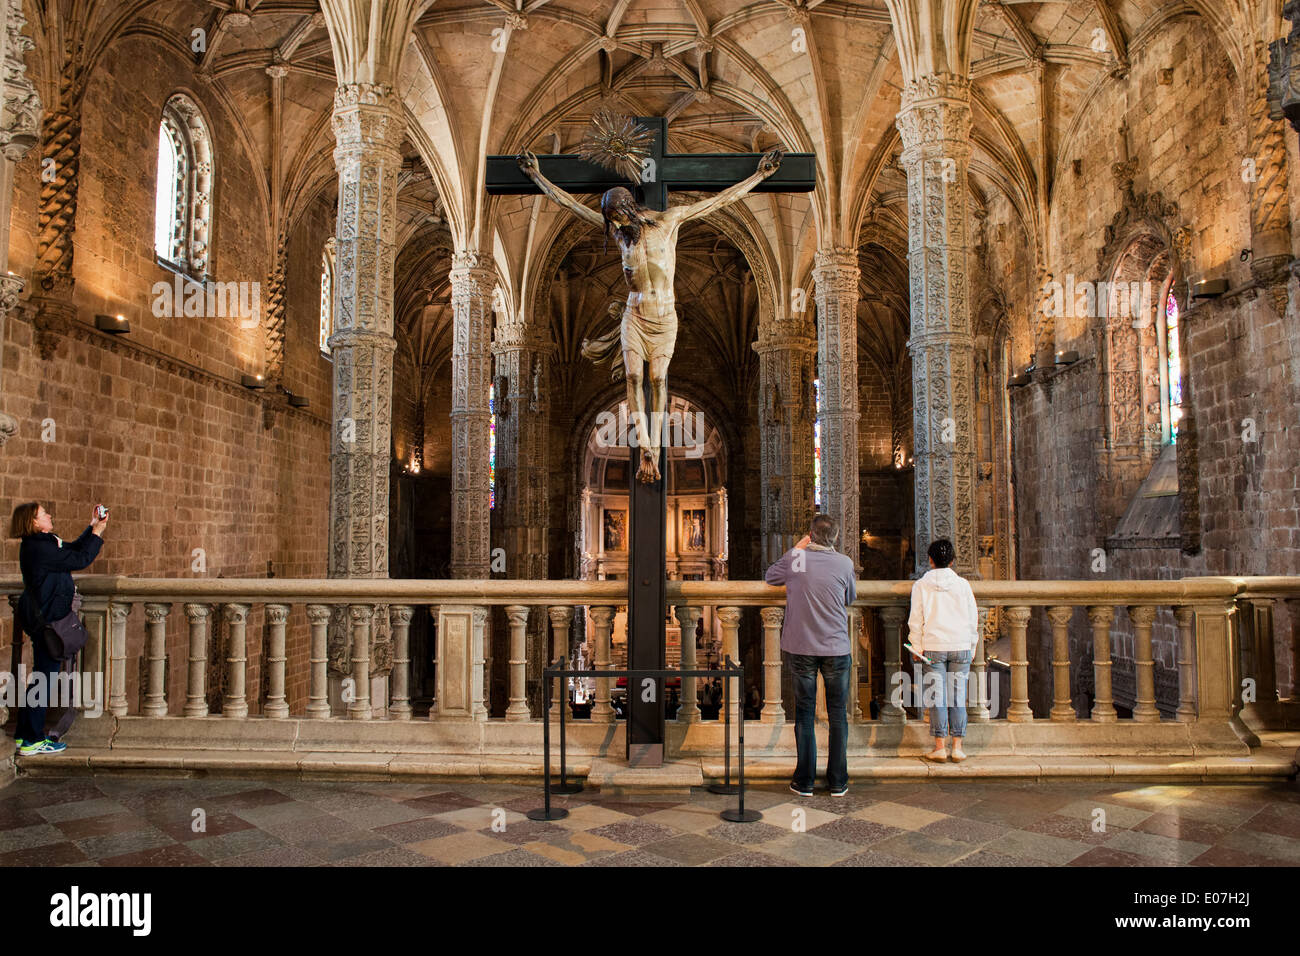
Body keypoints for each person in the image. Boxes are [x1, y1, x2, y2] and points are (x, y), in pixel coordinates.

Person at [765, 514, 856, 797]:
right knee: (838, 715)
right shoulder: (844, 563)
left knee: (804, 714)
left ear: (810, 536)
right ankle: (838, 781)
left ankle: (804, 782)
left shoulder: (798, 560)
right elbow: (849, 597)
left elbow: (770, 577)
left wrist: (798, 547)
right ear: (836, 538)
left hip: (802, 647)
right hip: (836, 648)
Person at [9, 502, 107, 755]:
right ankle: (32, 740)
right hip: (47, 621)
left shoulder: (43, 543)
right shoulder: (39, 548)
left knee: (41, 677)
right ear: (33, 522)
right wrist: (96, 535)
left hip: (44, 617)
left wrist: (93, 527)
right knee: (44, 679)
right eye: (44, 514)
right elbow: (80, 558)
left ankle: (23, 734)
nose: (49, 516)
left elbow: (72, 549)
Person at [907, 539, 979, 762]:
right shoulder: (963, 585)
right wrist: (972, 645)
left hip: (933, 646)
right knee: (958, 697)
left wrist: (916, 647)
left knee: (937, 697)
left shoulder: (920, 586)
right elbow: (972, 618)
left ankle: (939, 746)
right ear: (953, 560)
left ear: (930, 560)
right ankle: (957, 746)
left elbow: (916, 621)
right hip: (960, 645)